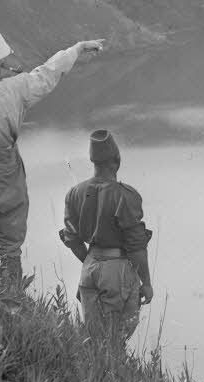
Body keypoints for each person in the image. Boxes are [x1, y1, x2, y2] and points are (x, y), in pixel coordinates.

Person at [0, 26, 104, 298]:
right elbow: (48, 73)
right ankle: (12, 302)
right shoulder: (18, 87)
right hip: (6, 174)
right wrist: (77, 48)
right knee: (10, 248)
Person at [59, 129, 153, 351]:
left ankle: (96, 375)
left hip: (89, 268)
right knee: (116, 337)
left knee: (93, 337)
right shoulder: (126, 195)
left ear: (93, 161)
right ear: (117, 160)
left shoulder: (75, 193)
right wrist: (146, 283)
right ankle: (111, 376)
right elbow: (137, 246)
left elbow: (71, 238)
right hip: (116, 272)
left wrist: (91, 260)